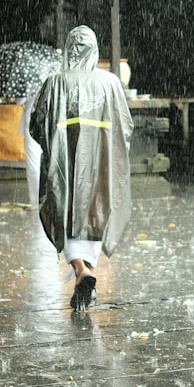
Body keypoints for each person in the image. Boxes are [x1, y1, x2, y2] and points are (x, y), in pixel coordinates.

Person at [30, 26, 133, 311]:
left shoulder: (55, 83)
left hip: (64, 162)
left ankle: (81, 271)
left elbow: (36, 125)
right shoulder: (111, 82)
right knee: (94, 214)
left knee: (64, 211)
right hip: (100, 162)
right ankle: (84, 275)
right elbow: (125, 126)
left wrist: (56, 144)